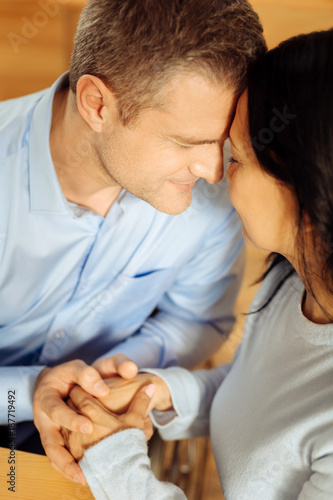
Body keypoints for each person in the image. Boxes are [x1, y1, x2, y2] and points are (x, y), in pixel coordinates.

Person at [0, 0, 266, 485]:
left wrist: (102, 386)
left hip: (109, 424)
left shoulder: (216, 194)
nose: (213, 171)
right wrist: (27, 389)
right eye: (186, 143)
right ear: (97, 104)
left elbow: (197, 319)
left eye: (221, 141)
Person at [62, 29, 333, 499]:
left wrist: (113, 454)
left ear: (309, 189)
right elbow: (264, 395)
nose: (214, 173)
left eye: (238, 157)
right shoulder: (296, 284)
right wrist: (159, 394)